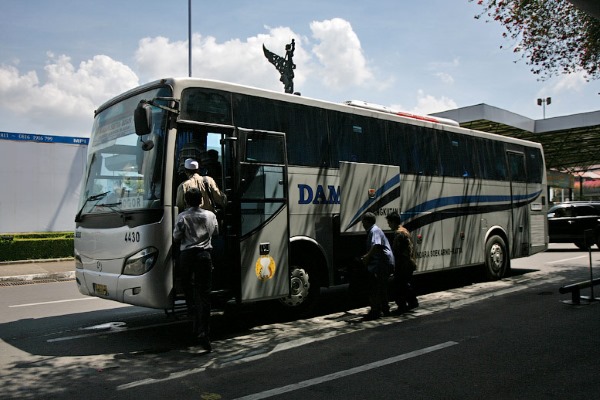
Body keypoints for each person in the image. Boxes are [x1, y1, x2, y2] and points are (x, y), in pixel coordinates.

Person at [172, 187, 218, 351]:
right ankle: (203, 332)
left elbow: (176, 237)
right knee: (204, 295)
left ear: (186, 201)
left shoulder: (182, 217)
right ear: (202, 200)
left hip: (187, 258)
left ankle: (192, 323)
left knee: (188, 291)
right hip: (204, 256)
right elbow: (216, 231)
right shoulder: (210, 215)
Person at [360, 212, 395, 320]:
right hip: (384, 262)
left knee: (375, 286)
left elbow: (376, 245)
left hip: (382, 263)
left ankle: (376, 310)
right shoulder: (375, 230)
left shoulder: (374, 230)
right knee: (381, 286)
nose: (362, 224)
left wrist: (366, 257)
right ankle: (384, 309)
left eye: (363, 221)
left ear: (367, 221)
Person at [386, 211, 419, 313]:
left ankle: (402, 306)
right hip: (409, 263)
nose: (388, 225)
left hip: (403, 264)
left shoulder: (398, 234)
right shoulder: (404, 230)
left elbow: (397, 252)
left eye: (389, 222)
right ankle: (412, 302)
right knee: (404, 284)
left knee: (399, 286)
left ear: (394, 222)